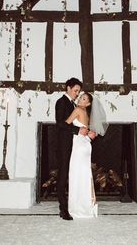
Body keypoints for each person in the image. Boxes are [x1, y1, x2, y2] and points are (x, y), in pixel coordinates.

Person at [55, 77, 89, 220]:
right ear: (68, 88)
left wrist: (87, 130)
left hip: (75, 144)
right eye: (75, 90)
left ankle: (74, 205)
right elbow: (60, 123)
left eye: (78, 91)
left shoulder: (73, 104)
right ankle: (63, 209)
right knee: (63, 175)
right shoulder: (61, 102)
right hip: (64, 145)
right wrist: (77, 130)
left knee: (72, 175)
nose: (77, 93)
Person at [65, 92, 97, 218]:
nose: (80, 99)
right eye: (80, 97)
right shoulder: (85, 113)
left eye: (83, 98)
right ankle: (87, 206)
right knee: (84, 174)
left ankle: (78, 208)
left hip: (79, 145)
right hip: (85, 144)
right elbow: (85, 129)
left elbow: (66, 123)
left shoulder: (78, 109)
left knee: (77, 175)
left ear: (88, 103)